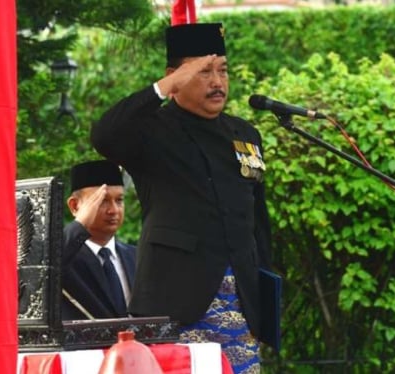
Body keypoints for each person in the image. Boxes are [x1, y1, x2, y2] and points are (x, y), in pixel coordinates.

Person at [91, 22, 272, 373]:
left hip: (242, 305)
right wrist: (162, 89)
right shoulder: (152, 130)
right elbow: (104, 134)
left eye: (222, 70)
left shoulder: (244, 133)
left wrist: (265, 300)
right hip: (177, 303)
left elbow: (258, 223)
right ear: (174, 76)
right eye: (203, 72)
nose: (217, 82)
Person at [61, 160, 136, 320]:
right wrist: (80, 223)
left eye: (119, 200)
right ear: (74, 206)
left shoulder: (137, 257)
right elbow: (43, 267)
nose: (114, 210)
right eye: (102, 201)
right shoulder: (65, 255)